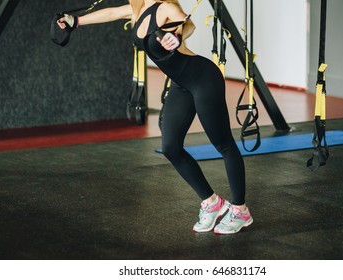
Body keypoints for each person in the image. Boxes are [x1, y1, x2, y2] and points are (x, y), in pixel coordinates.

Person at [57, 0, 253, 234]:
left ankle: (240, 210)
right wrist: (76, 21)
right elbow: (111, 12)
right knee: (171, 148)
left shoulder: (166, 7)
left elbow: (187, 24)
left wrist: (177, 38)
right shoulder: (138, 9)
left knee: (223, 144)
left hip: (203, 79)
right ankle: (212, 202)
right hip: (181, 85)